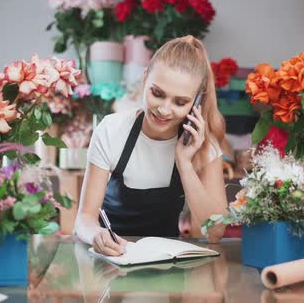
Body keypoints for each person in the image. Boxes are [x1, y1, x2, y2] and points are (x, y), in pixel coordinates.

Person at [75, 36, 228, 256]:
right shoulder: (111, 130)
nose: (164, 110)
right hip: (111, 261)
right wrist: (95, 235)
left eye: (180, 102)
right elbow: (84, 218)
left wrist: (184, 164)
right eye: (157, 93)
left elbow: (214, 233)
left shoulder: (205, 145)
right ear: (145, 78)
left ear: (196, 101)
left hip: (166, 266)